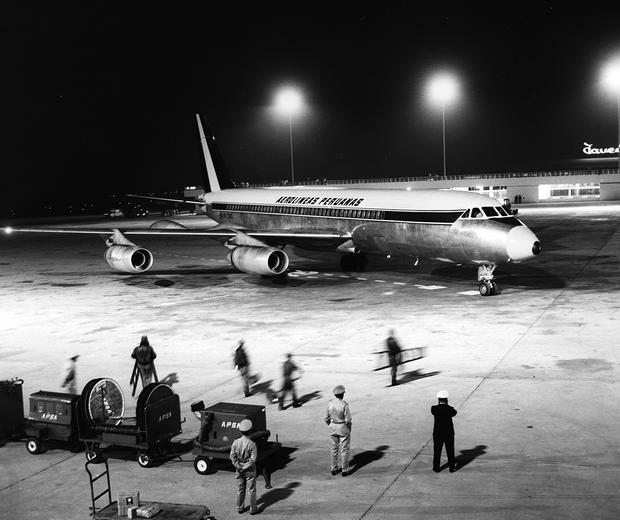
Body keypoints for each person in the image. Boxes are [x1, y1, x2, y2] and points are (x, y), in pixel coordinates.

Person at [230, 419, 259, 515]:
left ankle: (240, 507)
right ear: (250, 431)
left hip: (239, 469)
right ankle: (253, 509)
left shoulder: (235, 442)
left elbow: (232, 457)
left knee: (240, 489)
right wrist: (246, 466)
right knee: (252, 489)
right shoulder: (252, 444)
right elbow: (253, 459)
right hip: (249, 469)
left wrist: (239, 466)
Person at [324, 384, 352, 476]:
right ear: (342, 394)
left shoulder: (330, 403)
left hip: (332, 427)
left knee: (334, 449)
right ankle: (345, 469)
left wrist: (331, 425)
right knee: (344, 450)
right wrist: (348, 429)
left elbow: (326, 418)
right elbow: (348, 420)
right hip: (342, 427)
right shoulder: (344, 405)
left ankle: (334, 468)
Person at [431, 390, 457, 472]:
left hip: (438, 433)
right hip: (448, 433)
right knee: (450, 450)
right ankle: (451, 467)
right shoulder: (450, 409)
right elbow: (454, 413)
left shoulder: (434, 409)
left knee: (437, 451)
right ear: (446, 400)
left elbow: (435, 410)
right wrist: (447, 405)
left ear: (438, 399)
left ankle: (436, 467)